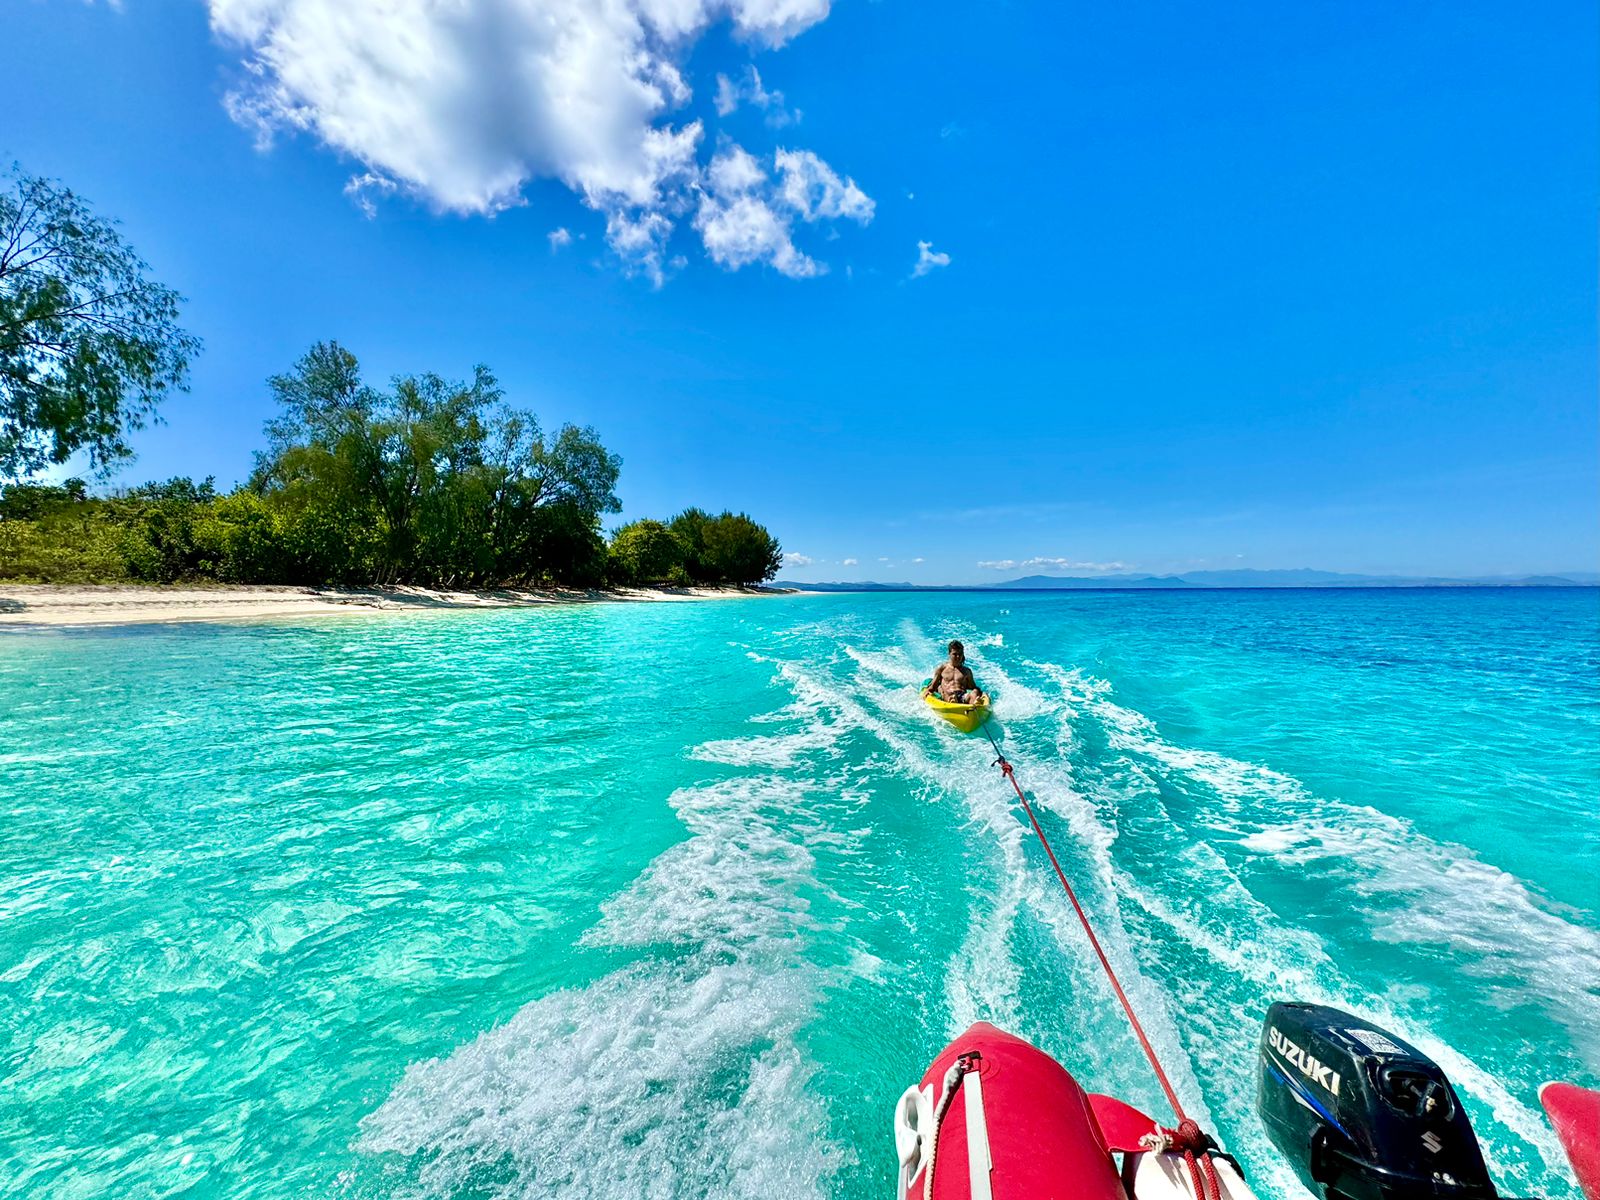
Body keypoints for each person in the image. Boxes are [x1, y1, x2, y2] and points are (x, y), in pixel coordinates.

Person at [923, 640, 985, 704]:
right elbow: (933, 686)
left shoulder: (966, 671)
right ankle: (953, 701)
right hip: (948, 696)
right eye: (955, 654)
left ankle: (975, 703)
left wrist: (981, 694)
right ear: (949, 654)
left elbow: (973, 687)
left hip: (962, 696)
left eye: (960, 654)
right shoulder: (942, 669)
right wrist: (927, 691)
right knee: (946, 693)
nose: (958, 656)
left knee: (974, 692)